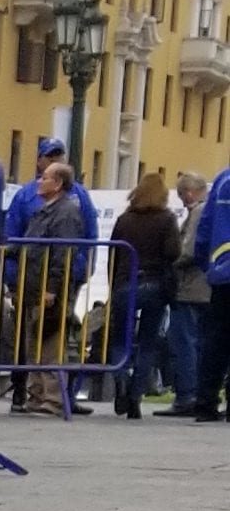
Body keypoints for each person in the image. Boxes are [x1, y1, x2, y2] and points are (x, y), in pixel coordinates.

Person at [106, 169, 181, 419]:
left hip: (125, 284)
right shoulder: (167, 219)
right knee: (148, 341)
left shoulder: (125, 219)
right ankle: (136, 397)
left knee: (120, 339)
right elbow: (173, 252)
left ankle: (121, 383)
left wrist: (112, 285)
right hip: (155, 284)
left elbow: (113, 253)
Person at [20, 153, 91, 415]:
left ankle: (52, 398)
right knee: (34, 342)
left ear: (58, 183)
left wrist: (52, 288)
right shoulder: (45, 210)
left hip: (51, 290)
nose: (40, 181)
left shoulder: (65, 214)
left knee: (50, 342)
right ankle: (37, 394)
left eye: (46, 177)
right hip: (34, 286)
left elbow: (64, 253)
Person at [170, 171, 212, 415]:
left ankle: (187, 395)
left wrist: (169, 263)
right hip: (204, 288)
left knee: (184, 342)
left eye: (181, 194)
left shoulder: (197, 213)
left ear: (189, 192)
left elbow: (189, 250)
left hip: (189, 288)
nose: (182, 200)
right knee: (197, 343)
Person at [192, 155, 230, 424]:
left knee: (214, 340)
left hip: (222, 273)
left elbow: (204, 228)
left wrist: (206, 264)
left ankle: (205, 402)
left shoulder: (221, 180)